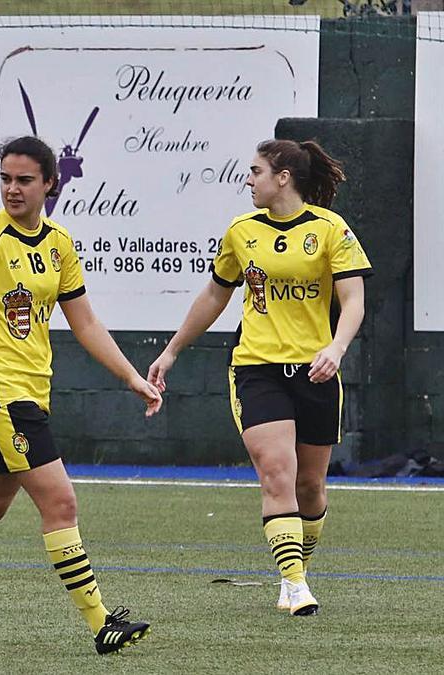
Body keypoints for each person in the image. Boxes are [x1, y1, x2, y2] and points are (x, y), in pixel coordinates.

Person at [0, 135, 159, 657]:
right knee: (61, 502)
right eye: (5, 179)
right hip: (2, 400)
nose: (13, 189)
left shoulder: (58, 243)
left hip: (31, 396)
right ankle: (101, 623)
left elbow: (84, 322)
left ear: (50, 183)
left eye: (24, 180)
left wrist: (132, 377)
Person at [148, 139, 371, 616]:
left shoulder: (331, 230)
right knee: (277, 474)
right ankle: (293, 586)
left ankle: (298, 571)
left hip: (315, 372)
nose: (248, 181)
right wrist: (171, 351)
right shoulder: (241, 231)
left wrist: (336, 347)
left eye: (255, 172)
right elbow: (214, 295)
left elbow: (353, 299)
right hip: (256, 367)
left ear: (283, 177)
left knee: (310, 487)